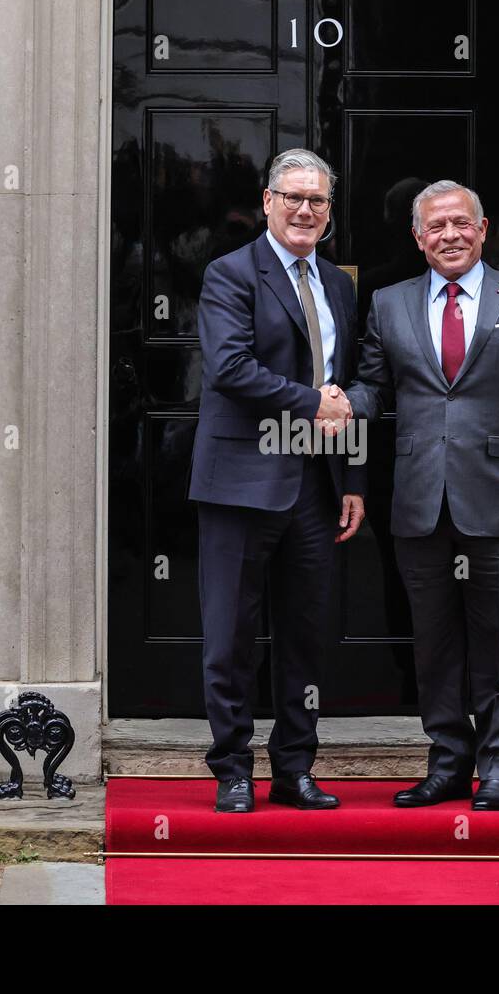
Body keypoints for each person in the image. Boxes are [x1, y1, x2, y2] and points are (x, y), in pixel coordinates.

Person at [345, 179, 499, 810]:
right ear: (418, 240)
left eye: (460, 223)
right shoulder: (390, 304)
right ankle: (448, 762)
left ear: (483, 229)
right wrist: (335, 403)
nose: (449, 235)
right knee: (434, 642)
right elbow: (374, 389)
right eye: (435, 227)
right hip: (418, 499)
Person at [189, 148, 366, 813]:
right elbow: (230, 369)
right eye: (292, 197)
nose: (304, 210)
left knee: (304, 638)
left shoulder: (340, 287)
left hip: (316, 490)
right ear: (267, 202)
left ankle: (294, 768)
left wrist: (352, 476)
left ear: (328, 211)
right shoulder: (230, 275)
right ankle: (232, 769)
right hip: (239, 484)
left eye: (317, 200)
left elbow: (344, 388)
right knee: (230, 638)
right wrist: (311, 403)